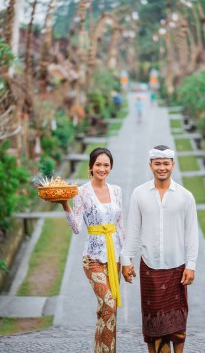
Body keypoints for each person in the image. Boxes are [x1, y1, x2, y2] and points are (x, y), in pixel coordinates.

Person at [120, 145, 199, 353]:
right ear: (150, 165)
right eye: (157, 164)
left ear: (173, 164)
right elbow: (133, 229)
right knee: (153, 324)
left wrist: (191, 265)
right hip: (149, 267)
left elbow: (192, 234)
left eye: (166, 163)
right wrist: (126, 259)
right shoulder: (139, 194)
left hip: (177, 268)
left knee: (178, 324)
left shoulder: (186, 197)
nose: (161, 168)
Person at [60, 147, 124, 353]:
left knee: (108, 311)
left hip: (114, 258)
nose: (102, 169)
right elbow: (77, 228)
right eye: (98, 164)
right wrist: (65, 205)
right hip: (93, 258)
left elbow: (120, 226)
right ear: (91, 166)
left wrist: (127, 259)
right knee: (108, 305)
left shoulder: (117, 191)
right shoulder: (81, 192)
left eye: (106, 165)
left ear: (111, 167)